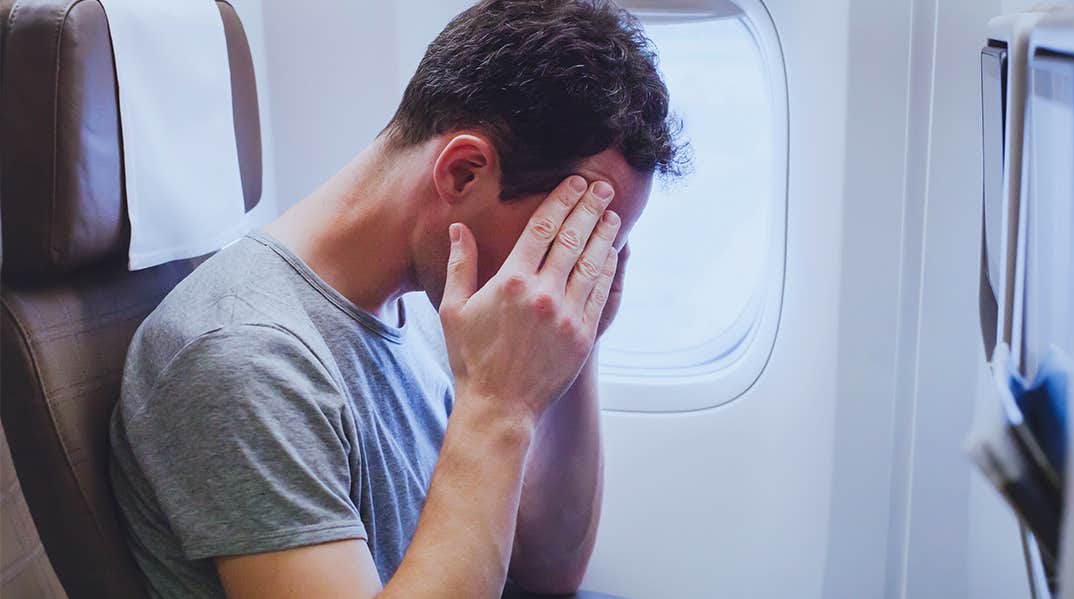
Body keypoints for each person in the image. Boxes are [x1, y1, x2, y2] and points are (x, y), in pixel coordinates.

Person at [108, 0, 687, 597]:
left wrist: (578, 340)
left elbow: (547, 572)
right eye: (570, 238)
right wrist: (497, 406)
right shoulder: (243, 358)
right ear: (463, 173)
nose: (573, 271)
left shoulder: (439, 309)